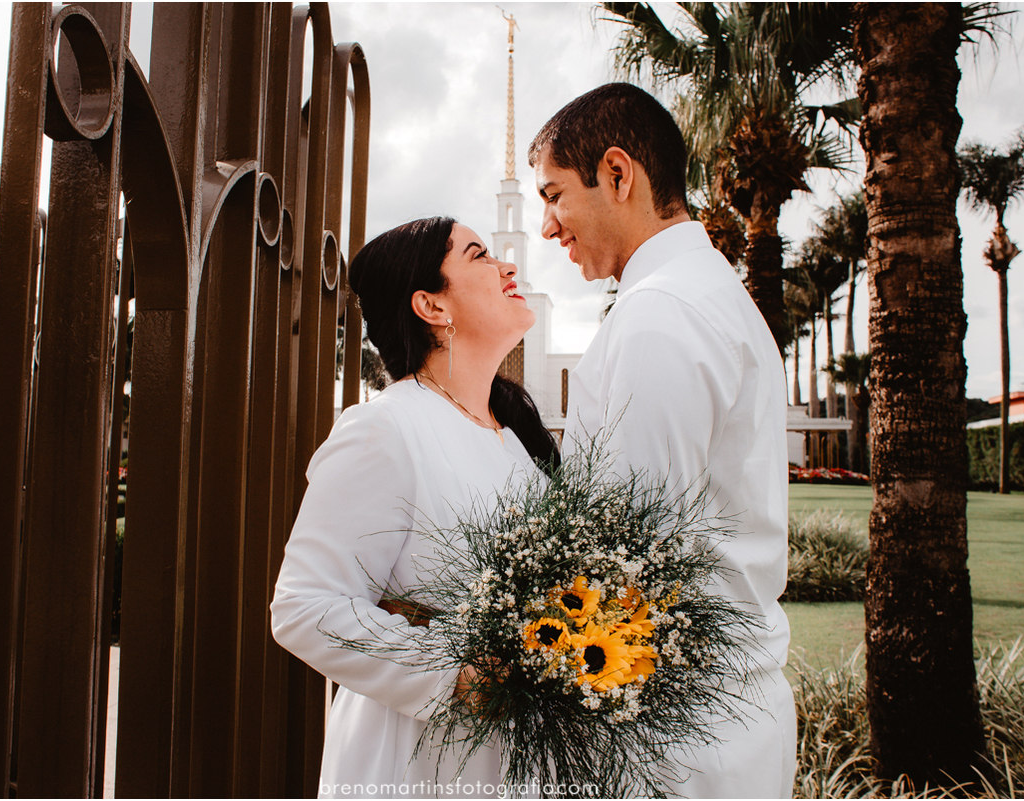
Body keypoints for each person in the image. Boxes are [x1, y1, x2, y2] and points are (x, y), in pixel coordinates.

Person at [528, 83, 796, 797]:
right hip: (722, 716)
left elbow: (623, 556)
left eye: (554, 194)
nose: (547, 226)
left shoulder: (662, 315)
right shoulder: (708, 293)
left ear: (619, 174)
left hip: (673, 737)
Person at [270, 217, 559, 799]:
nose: (508, 267)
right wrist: (457, 674)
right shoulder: (384, 428)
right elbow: (303, 606)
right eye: (478, 255)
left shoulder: (517, 439)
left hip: (518, 756)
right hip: (418, 758)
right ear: (432, 305)